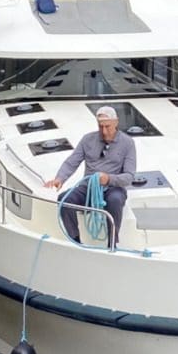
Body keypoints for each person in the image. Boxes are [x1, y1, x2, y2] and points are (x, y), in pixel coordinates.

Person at [45, 105, 136, 247]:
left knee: (115, 200)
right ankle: (75, 240)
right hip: (88, 187)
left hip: (113, 188)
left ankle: (112, 243)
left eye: (108, 127)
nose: (104, 131)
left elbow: (129, 176)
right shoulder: (87, 140)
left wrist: (109, 178)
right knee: (64, 199)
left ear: (116, 122)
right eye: (101, 127)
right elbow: (72, 162)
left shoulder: (128, 143)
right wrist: (60, 178)